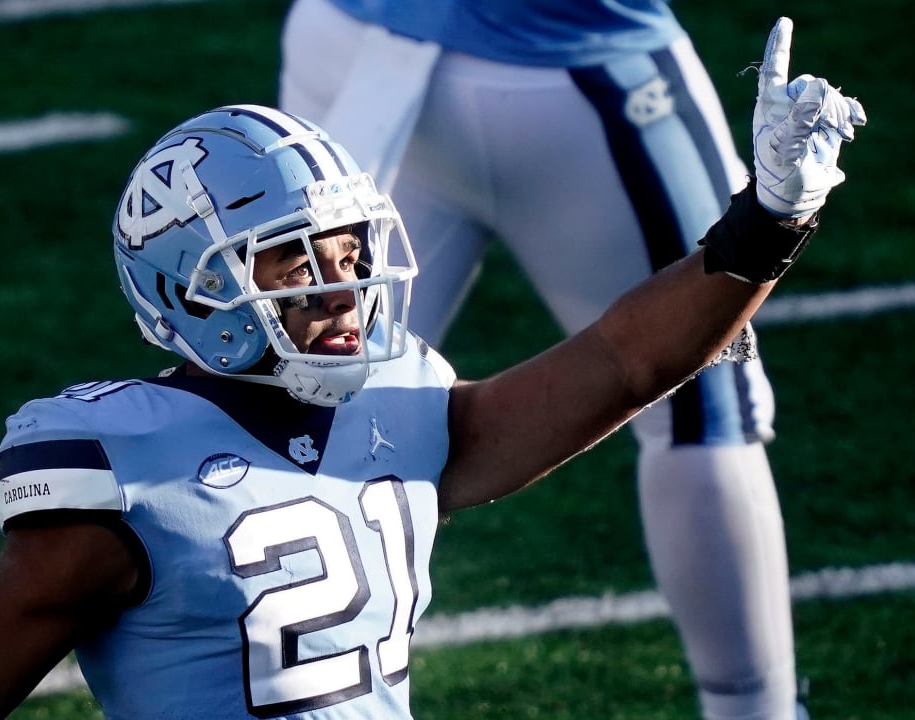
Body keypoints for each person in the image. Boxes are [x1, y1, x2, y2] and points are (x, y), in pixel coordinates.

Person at [0, 18, 863, 719]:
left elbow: (623, 360)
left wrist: (767, 220)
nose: (339, 284)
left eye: (349, 249)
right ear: (185, 287)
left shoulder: (399, 409)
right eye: (289, 257)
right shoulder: (123, 474)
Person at [278, 4, 854, 719]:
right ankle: (755, 709)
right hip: (565, 67)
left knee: (300, 411)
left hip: (343, 49)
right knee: (703, 406)